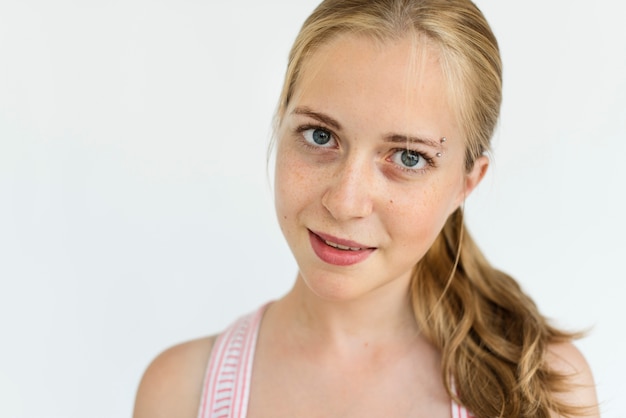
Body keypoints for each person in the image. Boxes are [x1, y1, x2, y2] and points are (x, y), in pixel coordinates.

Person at [133, 0, 599, 416]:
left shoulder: (543, 390)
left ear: (466, 183)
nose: (345, 202)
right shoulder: (180, 394)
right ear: (281, 124)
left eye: (409, 157)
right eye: (321, 135)